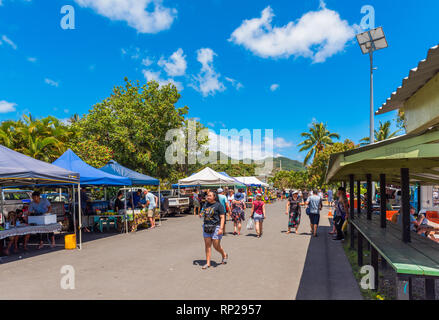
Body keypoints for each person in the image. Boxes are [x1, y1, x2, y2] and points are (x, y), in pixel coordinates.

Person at [200, 191, 228, 269]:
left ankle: (224, 254)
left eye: (209, 196)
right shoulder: (205, 204)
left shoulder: (219, 206)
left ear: (214, 197)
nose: (208, 197)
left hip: (216, 227)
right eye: (207, 196)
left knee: (216, 246)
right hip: (206, 227)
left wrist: (221, 228)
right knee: (207, 245)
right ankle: (208, 263)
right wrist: (201, 214)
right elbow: (203, 212)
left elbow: (222, 217)